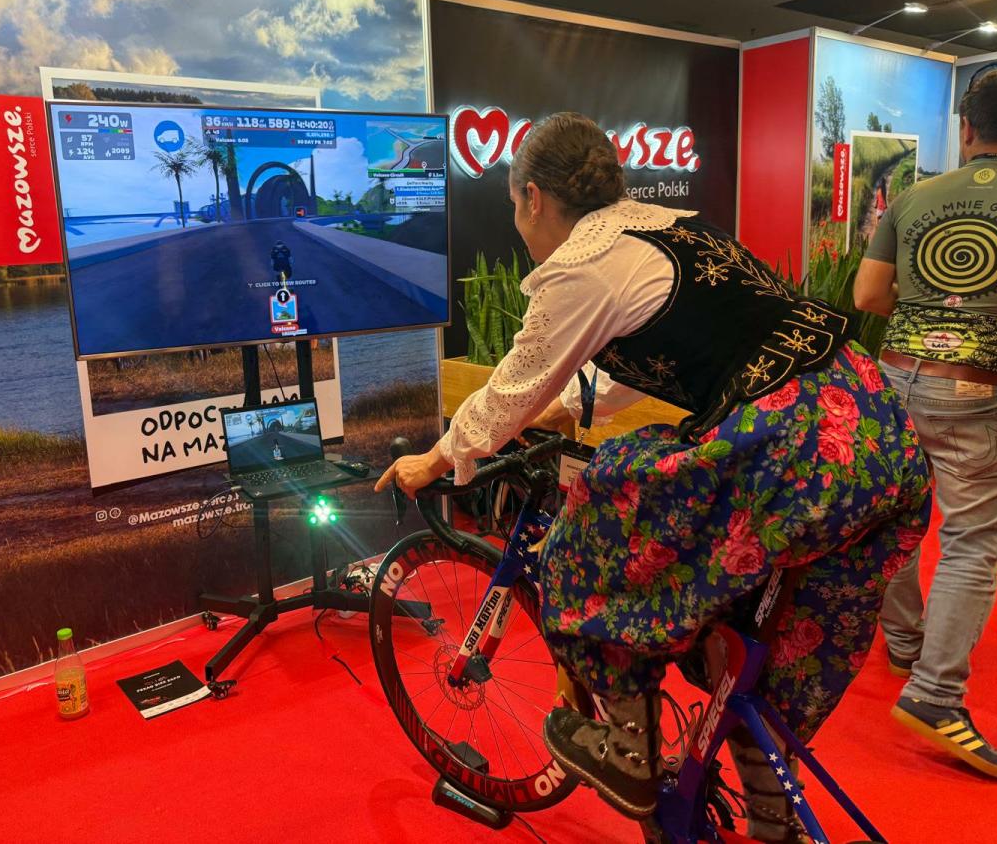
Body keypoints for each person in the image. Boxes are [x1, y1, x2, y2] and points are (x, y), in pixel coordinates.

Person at [377, 112, 930, 835]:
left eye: (514, 205)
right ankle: (774, 815)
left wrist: (435, 457)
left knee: (592, 529)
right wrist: (567, 408)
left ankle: (629, 746)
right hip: (874, 433)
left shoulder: (581, 264)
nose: (517, 223)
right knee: (768, 644)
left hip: (793, 446)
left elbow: (512, 386)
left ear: (534, 198)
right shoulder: (676, 229)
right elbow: (661, 351)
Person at [854, 63, 997, 780]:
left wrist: (934, 316)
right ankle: (935, 694)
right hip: (977, 392)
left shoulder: (914, 196)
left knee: (897, 516)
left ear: (966, 128)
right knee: (971, 544)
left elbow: (869, 295)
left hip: (894, 377)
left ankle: (905, 640)